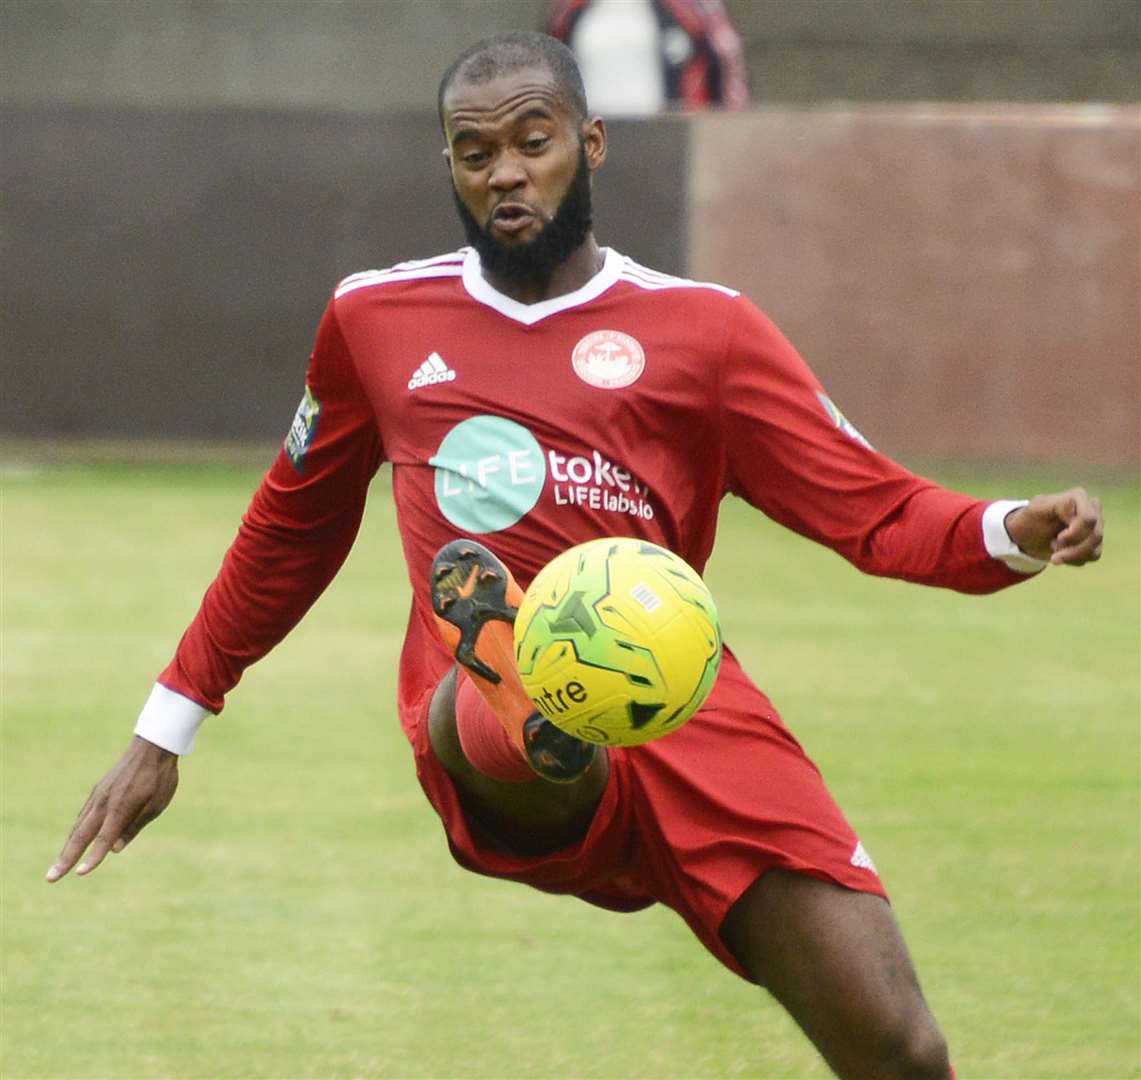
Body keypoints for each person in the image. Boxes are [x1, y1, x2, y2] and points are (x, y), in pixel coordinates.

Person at [46, 31, 1104, 1078]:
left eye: (533, 141)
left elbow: (872, 509)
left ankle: (553, 689)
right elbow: (293, 522)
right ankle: (521, 669)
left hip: (686, 706)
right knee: (494, 701)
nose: (505, 172)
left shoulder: (707, 334)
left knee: (899, 1048)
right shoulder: (376, 318)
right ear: (450, 167)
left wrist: (1010, 529)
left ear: (591, 144)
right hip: (491, 706)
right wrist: (169, 723)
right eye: (475, 152)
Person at [545, 0, 748, 115]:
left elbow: (728, 76)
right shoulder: (569, 11)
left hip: (672, 146)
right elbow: (549, 77)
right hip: (592, 151)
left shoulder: (693, 7)